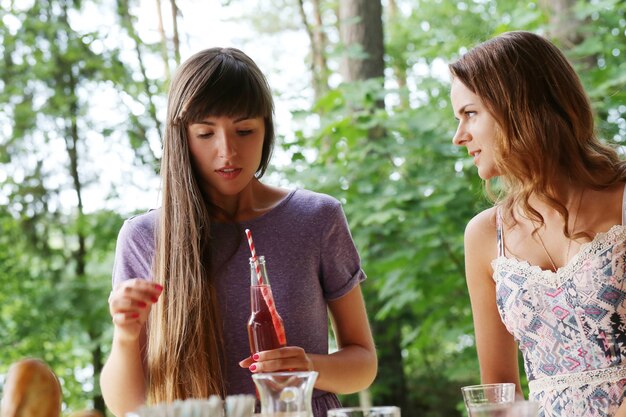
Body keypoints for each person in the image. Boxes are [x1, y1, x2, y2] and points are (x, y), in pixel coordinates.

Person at [100, 47, 377, 417]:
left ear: (266, 130)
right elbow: (126, 405)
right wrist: (126, 333)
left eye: (244, 130)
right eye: (205, 133)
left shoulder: (317, 218)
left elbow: (363, 364)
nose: (227, 151)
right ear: (182, 138)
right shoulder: (144, 237)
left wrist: (308, 366)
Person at [449, 31, 626, 417]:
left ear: (517, 105)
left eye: (470, 113)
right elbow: (500, 395)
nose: (458, 136)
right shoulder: (483, 235)